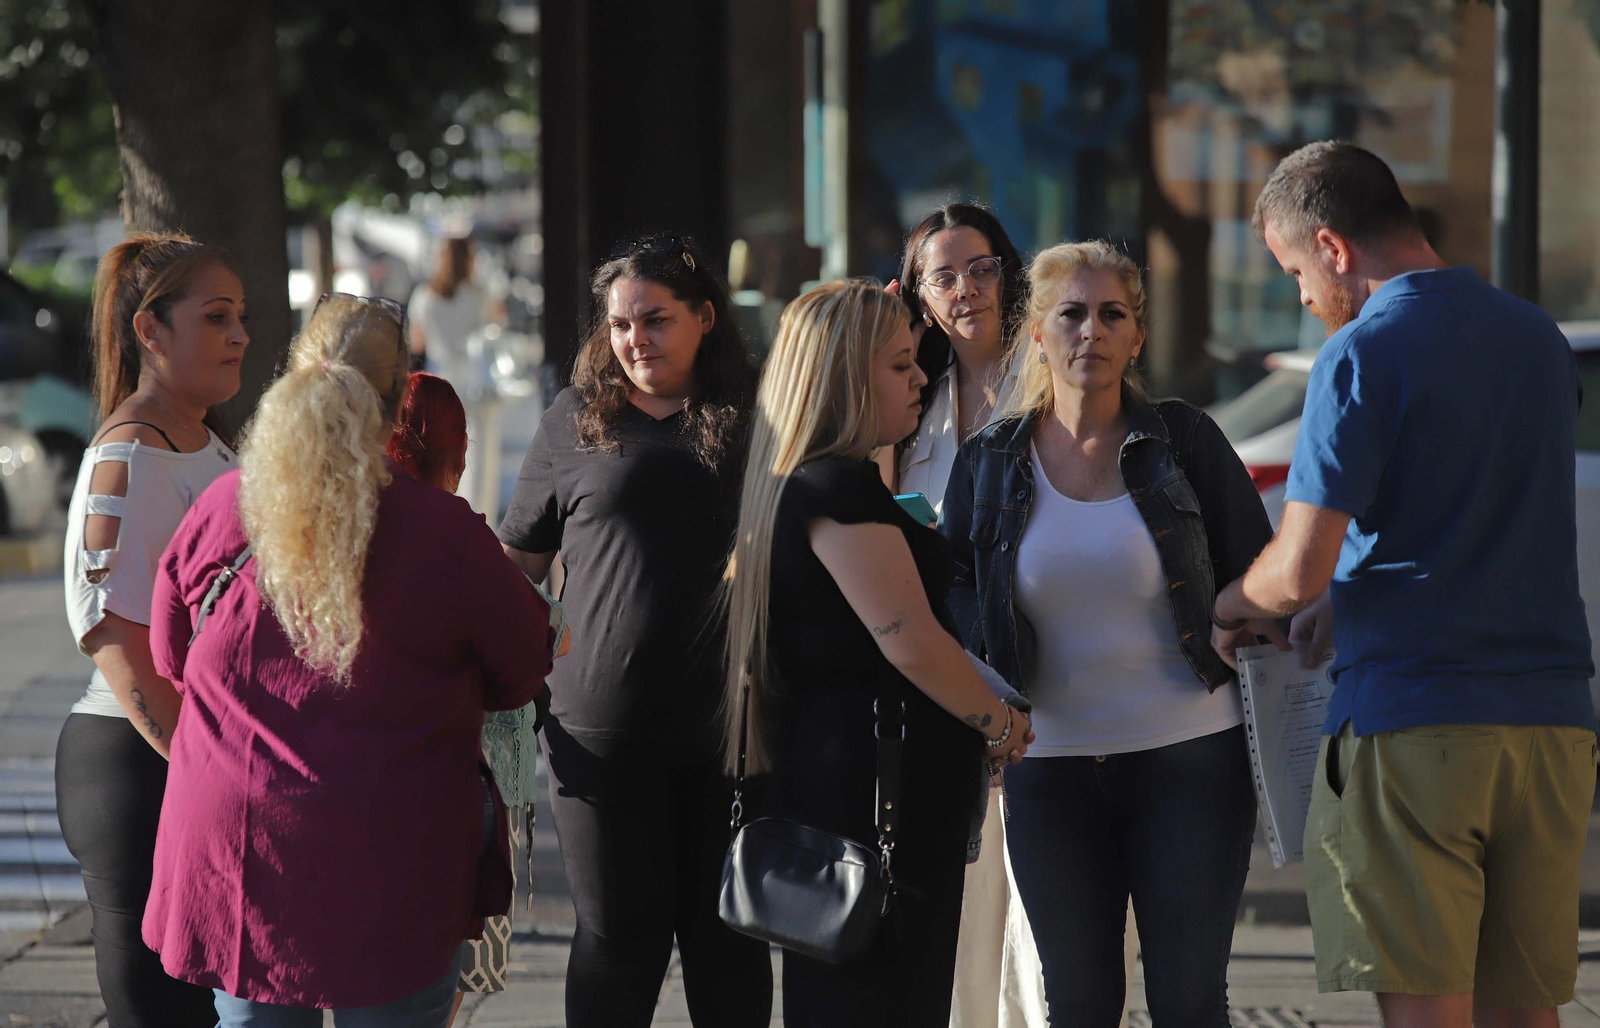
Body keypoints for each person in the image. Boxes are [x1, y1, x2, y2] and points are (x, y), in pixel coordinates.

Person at [1212, 141, 1597, 1028]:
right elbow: (1477, 514)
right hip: (1550, 725)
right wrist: (1347, 601)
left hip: (1413, 722)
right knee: (1526, 1011)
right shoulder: (1538, 339)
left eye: (1295, 270)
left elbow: (1296, 566)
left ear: (1335, 248)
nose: (1303, 298)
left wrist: (1232, 602)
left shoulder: (1358, 356)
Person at [140, 294, 553, 1025]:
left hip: (241, 852)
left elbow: (170, 655)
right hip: (392, 853)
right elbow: (523, 665)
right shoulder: (443, 533)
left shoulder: (220, 507)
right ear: (399, 402)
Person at [943, 241, 1274, 1026]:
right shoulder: (991, 459)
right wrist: (985, 691)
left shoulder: (1184, 441)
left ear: (1137, 337)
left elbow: (1257, 566)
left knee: (1189, 1000)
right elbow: (950, 584)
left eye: (1110, 315)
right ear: (1036, 335)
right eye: (1071, 314)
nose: (1090, 331)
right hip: (1047, 766)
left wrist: (1238, 611)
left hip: (1189, 758)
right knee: (1079, 1003)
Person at [721, 279, 1032, 1027]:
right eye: (899, 364)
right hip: (876, 803)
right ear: (844, 378)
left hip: (860, 791)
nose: (922, 375)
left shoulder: (829, 482)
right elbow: (913, 644)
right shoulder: (839, 490)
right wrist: (998, 723)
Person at [497, 234, 773, 1027]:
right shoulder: (575, 418)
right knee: (619, 943)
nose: (634, 340)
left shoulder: (757, 419)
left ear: (705, 318)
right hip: (600, 734)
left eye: (655, 320)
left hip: (733, 730)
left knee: (730, 942)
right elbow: (520, 563)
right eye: (620, 325)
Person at [57, 232, 247, 1028]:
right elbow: (116, 642)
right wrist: (207, 770)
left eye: (240, 316)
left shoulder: (203, 440)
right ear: (150, 330)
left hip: (193, 762)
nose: (239, 335)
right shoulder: (129, 457)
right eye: (216, 317)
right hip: (141, 771)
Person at [890, 202, 1059, 1028]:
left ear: (1009, 271)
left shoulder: (1056, 371)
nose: (967, 290)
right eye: (943, 275)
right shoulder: (905, 395)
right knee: (961, 922)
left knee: (1050, 930)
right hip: (944, 683)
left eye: (982, 267)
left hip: (1055, 676)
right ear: (919, 294)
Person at [384, 371, 564, 1025]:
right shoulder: (456, 535)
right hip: (453, 787)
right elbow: (532, 648)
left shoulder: (325, 522)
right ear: (454, 450)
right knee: (435, 982)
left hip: (349, 796)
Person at [408, 236, 496, 512]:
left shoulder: (425, 296)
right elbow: (494, 328)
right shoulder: (480, 294)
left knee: (442, 450)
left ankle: (448, 511)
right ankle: (480, 514)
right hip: (477, 383)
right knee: (481, 454)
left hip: (442, 381)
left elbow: (418, 343)